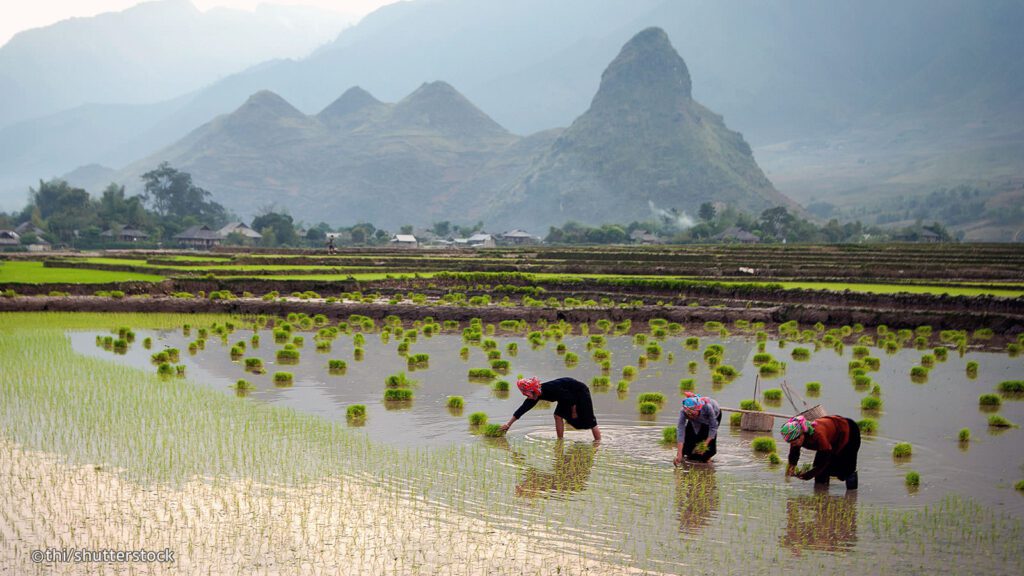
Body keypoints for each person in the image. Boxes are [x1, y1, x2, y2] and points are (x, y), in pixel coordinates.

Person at [500, 377, 602, 441]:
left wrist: (574, 412)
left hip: (579, 392)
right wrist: (508, 424)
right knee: (557, 416)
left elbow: (570, 399)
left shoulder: (551, 389)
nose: (527, 396)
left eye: (528, 394)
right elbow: (522, 409)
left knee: (590, 420)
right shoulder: (535, 396)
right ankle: (560, 440)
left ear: (533, 390)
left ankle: (598, 443)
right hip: (565, 396)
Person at [781, 414, 860, 490]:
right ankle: (821, 493)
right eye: (791, 443)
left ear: (802, 435)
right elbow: (794, 453)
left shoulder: (818, 436)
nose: (793, 445)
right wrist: (792, 465)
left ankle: (852, 495)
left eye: (794, 442)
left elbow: (824, 459)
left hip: (848, 430)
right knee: (820, 472)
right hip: (830, 437)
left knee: (847, 469)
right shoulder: (795, 438)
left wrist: (810, 474)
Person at [674, 392, 721, 464]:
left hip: (712, 416)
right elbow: (680, 430)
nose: (690, 416)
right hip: (697, 417)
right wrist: (679, 453)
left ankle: (707, 459)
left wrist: (705, 444)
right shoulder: (684, 412)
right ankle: (687, 456)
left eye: (693, 414)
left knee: (706, 436)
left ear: (698, 409)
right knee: (689, 436)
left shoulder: (707, 407)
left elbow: (713, 427)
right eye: (688, 414)